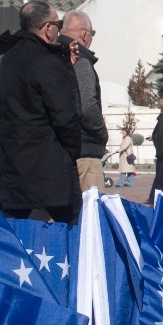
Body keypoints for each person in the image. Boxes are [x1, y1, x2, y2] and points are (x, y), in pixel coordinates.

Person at [0, 0, 81, 224]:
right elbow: (66, 117)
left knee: (15, 231)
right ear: (47, 28)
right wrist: (71, 152)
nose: (59, 30)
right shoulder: (47, 62)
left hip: (14, 166)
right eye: (58, 24)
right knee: (72, 229)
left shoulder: (8, 60)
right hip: (48, 167)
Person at [61, 11, 109, 192]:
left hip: (61, 149)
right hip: (85, 150)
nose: (92, 38)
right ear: (84, 34)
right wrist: (102, 133)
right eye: (92, 33)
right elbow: (87, 105)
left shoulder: (52, 56)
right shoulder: (80, 59)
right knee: (93, 205)